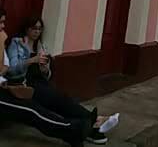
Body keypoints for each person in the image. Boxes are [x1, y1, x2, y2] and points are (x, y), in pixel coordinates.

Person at [0, 8, 114, 146]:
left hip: (32, 83)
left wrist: (45, 69)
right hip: (22, 82)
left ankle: (90, 123)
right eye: (34, 28)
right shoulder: (16, 43)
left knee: (59, 98)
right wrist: (30, 60)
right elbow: (9, 70)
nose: (3, 27)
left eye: (39, 29)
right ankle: (81, 127)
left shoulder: (41, 46)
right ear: (27, 28)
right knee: (32, 110)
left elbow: (5, 68)